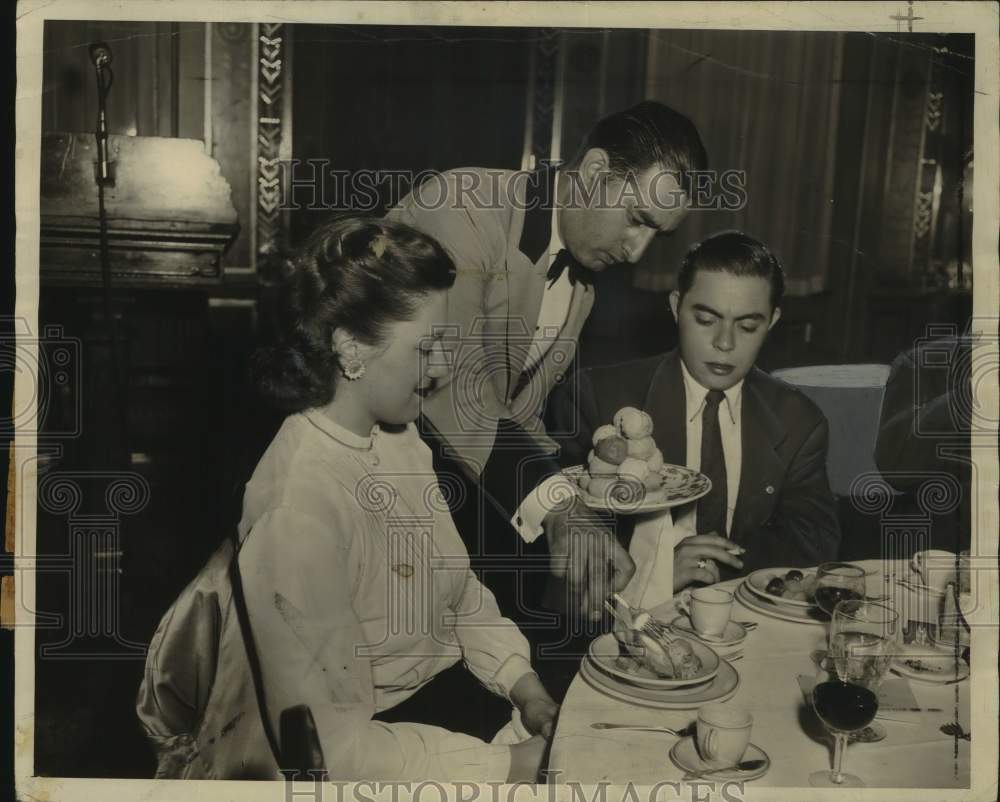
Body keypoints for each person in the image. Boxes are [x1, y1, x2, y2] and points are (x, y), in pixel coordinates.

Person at [136, 218, 558, 781]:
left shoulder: (399, 436)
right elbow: (335, 755)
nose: (442, 369)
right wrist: (505, 766)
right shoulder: (299, 507)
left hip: (449, 711)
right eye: (426, 348)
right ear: (351, 347)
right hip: (378, 758)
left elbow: (456, 593)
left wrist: (524, 687)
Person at [386, 101, 708, 650]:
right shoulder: (461, 206)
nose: (637, 252)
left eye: (658, 235)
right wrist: (559, 506)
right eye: (637, 220)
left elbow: (521, 415)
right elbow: (448, 388)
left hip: (453, 510)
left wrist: (576, 519)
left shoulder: (581, 282)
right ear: (593, 172)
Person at [547, 231, 841, 599]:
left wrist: (714, 562)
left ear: (773, 320)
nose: (725, 343)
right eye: (706, 319)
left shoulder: (799, 420)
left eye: (748, 326)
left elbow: (813, 539)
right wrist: (655, 568)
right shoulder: (597, 397)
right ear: (675, 306)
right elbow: (561, 533)